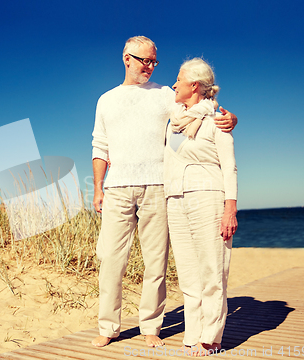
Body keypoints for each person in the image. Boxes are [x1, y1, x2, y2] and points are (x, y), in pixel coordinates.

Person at [91, 36, 237, 348]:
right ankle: (108, 327)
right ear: (126, 58)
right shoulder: (106, 99)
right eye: (145, 60)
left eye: (154, 61)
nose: (150, 66)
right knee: (112, 261)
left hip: (159, 185)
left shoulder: (164, 96)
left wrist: (229, 117)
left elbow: (199, 107)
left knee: (156, 263)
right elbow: (99, 146)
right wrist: (97, 188)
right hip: (116, 187)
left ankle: (150, 327)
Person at [163, 58, 238, 356]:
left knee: (212, 270)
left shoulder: (216, 120)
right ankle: (192, 332)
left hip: (208, 197)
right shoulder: (173, 120)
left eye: (178, 79)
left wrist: (229, 209)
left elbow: (230, 166)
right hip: (175, 199)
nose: (174, 84)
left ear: (194, 85)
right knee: (188, 273)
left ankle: (211, 336)